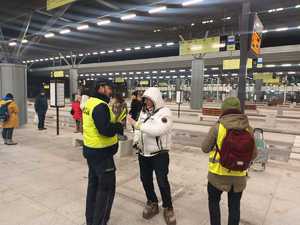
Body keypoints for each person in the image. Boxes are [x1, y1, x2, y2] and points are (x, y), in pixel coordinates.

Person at [201, 97, 258, 225]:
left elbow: (204, 148)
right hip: (238, 178)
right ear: (239, 109)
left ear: (223, 109)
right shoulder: (248, 128)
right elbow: (254, 154)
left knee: (214, 203)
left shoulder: (218, 127)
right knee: (234, 208)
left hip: (217, 175)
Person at [128, 87, 176, 225]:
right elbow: (139, 129)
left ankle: (168, 207)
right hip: (144, 153)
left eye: (150, 99)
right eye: (145, 99)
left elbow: (157, 130)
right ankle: (152, 201)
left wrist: (136, 125)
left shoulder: (165, 113)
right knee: (145, 180)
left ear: (156, 99)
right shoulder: (143, 112)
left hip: (159, 155)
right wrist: (136, 140)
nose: (147, 102)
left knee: (162, 181)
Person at [82, 78, 124, 225]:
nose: (111, 91)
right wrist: (118, 126)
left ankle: (91, 220)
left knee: (93, 187)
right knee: (106, 190)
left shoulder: (89, 103)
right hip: (102, 154)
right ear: (101, 88)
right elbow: (105, 130)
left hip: (91, 151)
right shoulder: (100, 106)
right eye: (109, 88)